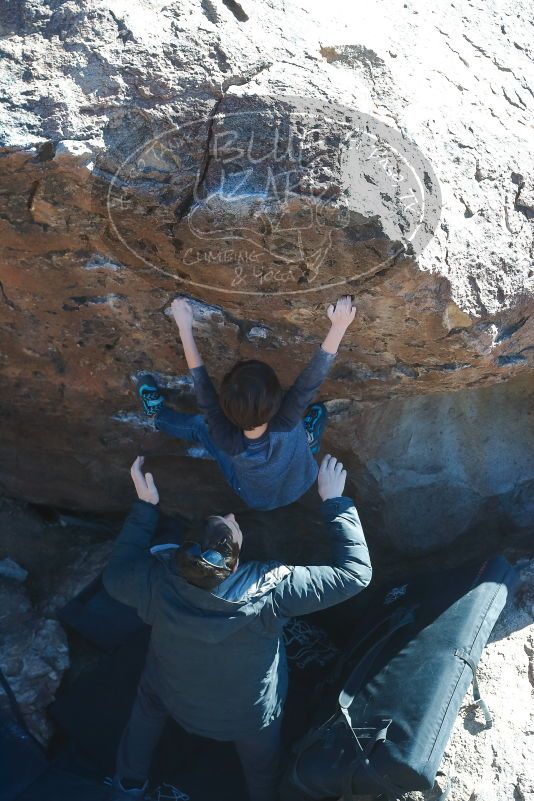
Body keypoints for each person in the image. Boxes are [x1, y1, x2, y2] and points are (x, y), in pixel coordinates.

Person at [104, 452, 372, 801]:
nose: (232, 514)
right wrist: (334, 500)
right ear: (233, 566)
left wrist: (145, 506)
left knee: (147, 707)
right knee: (263, 769)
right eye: (230, 524)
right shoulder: (273, 594)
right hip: (249, 718)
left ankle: (128, 784)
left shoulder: (155, 582)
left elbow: (115, 574)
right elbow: (355, 574)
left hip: (175, 697)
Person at [136, 295, 356, 511]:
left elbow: (203, 388)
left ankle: (159, 416)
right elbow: (309, 382)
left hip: (256, 497)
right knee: (301, 427)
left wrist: (184, 328)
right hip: (302, 478)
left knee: (201, 427)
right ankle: (305, 441)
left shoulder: (227, 439)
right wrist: (339, 326)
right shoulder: (286, 420)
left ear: (225, 410)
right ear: (277, 400)